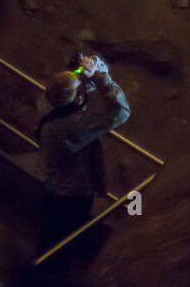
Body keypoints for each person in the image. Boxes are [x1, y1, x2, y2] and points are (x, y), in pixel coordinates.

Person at [38, 54, 131, 251]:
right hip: (71, 199)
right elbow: (121, 111)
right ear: (77, 97)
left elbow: (70, 93)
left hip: (52, 191)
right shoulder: (73, 127)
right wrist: (101, 78)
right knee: (62, 247)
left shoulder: (47, 104)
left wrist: (81, 72)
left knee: (49, 240)